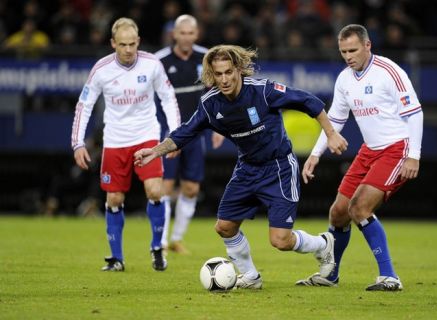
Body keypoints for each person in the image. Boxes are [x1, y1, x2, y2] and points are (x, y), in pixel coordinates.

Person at [134, 44, 348, 289]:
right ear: (211, 75)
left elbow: (310, 101)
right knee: (224, 227)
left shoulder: (263, 90)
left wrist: (331, 134)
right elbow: (184, 133)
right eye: (218, 74)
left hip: (278, 167)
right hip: (246, 169)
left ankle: (323, 244)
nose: (224, 79)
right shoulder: (210, 104)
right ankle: (251, 277)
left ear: (237, 70)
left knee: (280, 241)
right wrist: (155, 151)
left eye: (228, 72)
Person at [296, 24, 423, 291]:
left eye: (353, 50)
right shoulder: (344, 79)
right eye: (343, 51)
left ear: (368, 45)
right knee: (338, 212)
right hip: (369, 150)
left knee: (359, 208)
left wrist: (414, 156)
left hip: (396, 148)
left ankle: (389, 277)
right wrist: (316, 154)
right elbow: (335, 120)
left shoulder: (389, 71)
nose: (348, 56)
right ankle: (330, 274)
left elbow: (415, 112)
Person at [71, 17, 180, 272]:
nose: (128, 50)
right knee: (114, 199)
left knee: (155, 190)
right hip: (115, 140)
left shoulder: (152, 64)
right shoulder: (101, 69)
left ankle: (157, 248)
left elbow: (168, 98)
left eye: (132, 44)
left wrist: (174, 136)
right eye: (123, 44)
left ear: (139, 42)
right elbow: (84, 105)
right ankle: (116, 258)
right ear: (113, 43)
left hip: (147, 136)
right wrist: (77, 143)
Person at [154, 14, 224, 254]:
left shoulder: (207, 58)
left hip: (196, 132)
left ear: (196, 34)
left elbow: (218, 93)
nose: (185, 37)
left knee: (192, 188)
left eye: (190, 33)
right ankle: (160, 242)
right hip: (168, 133)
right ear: (174, 34)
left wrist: (217, 127)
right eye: (181, 33)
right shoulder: (159, 61)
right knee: (165, 186)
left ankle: (176, 239)